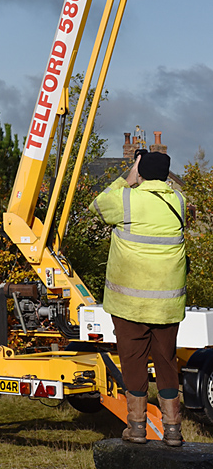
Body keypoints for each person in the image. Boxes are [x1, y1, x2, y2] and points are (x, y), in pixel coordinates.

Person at [89, 149, 187, 447]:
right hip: (168, 302)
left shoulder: (127, 198)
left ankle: (137, 428)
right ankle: (172, 430)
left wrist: (128, 177)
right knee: (167, 362)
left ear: (141, 171)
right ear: (167, 174)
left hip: (129, 304)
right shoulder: (178, 202)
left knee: (133, 364)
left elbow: (97, 206)